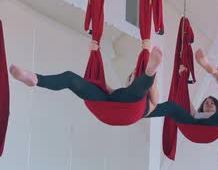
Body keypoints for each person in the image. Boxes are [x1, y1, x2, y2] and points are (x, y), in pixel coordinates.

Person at [10, 42, 162, 116]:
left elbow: (154, 100)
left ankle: (150, 71)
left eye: (136, 74)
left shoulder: (142, 97)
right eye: (133, 75)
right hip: (109, 103)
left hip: (131, 109)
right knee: (70, 78)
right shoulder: (123, 93)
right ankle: (36, 79)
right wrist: (94, 56)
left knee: (137, 90)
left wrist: (150, 78)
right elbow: (108, 90)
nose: (133, 75)